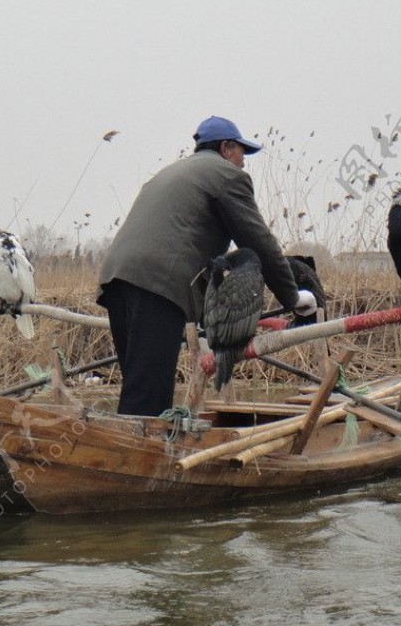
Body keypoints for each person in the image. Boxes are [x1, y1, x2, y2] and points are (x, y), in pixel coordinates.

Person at [98, 116, 318, 416]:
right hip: (158, 284)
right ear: (226, 148)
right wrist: (292, 298)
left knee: (138, 382)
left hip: (116, 278)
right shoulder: (226, 175)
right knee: (148, 393)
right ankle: (139, 458)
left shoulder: (171, 172)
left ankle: (127, 451)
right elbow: (258, 243)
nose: (243, 163)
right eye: (242, 153)